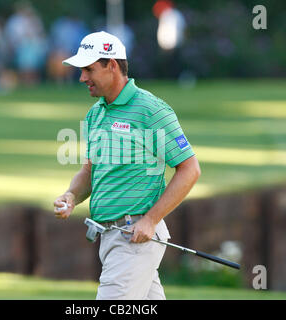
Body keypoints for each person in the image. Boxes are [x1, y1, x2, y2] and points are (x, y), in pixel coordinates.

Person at [53, 31, 201, 300]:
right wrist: (72, 196)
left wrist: (151, 220)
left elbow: (190, 169)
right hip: (111, 237)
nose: (82, 78)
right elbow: (89, 170)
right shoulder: (96, 113)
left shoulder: (151, 110)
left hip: (135, 237)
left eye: (89, 69)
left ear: (111, 65)